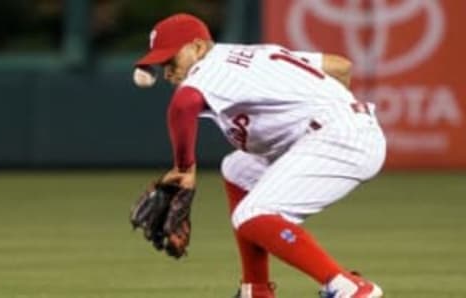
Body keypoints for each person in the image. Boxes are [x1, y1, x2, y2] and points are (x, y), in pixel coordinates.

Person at [134, 13, 386, 298]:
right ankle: (256, 290)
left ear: (199, 48)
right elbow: (340, 67)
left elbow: (183, 104)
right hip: (332, 132)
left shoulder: (209, 69)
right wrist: (330, 105)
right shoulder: (254, 54)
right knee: (237, 169)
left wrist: (184, 168)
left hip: (339, 138)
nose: (167, 72)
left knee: (253, 213)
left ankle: (349, 288)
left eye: (170, 61)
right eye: (160, 65)